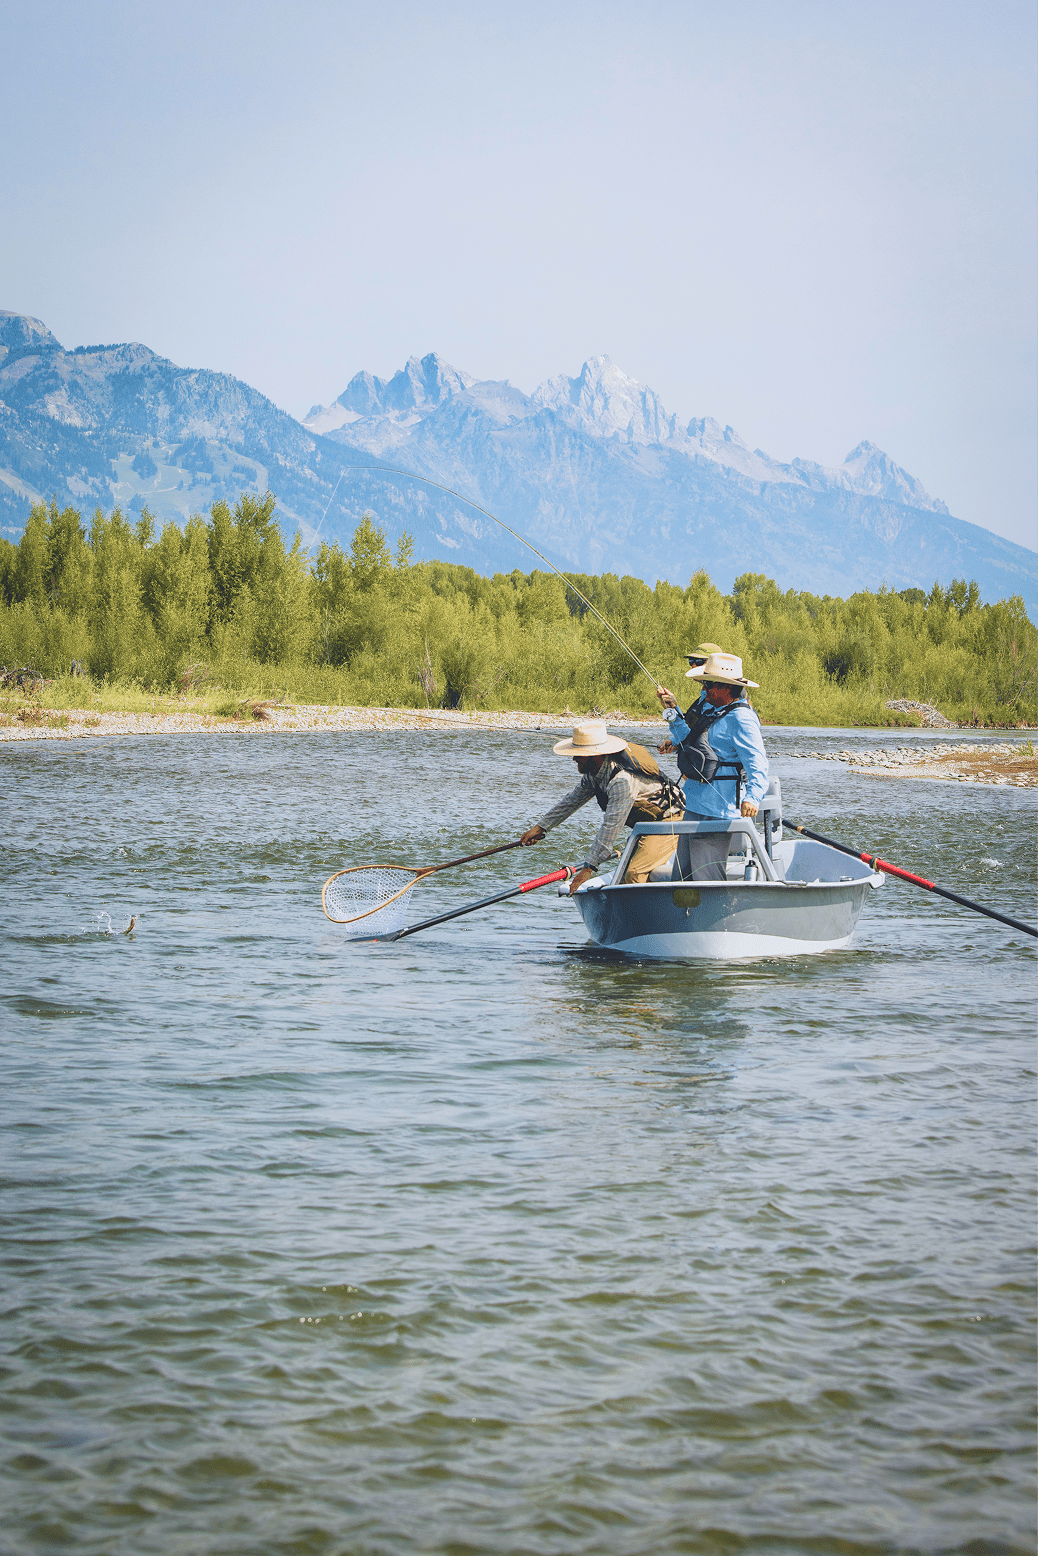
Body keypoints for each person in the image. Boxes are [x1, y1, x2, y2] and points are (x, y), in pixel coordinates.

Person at [520, 722, 685, 894]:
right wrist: (540, 828)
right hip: (647, 826)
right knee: (621, 877)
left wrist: (589, 868)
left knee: (634, 874)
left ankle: (652, 919)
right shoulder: (595, 773)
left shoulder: (622, 780)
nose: (574, 759)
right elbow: (571, 801)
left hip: (671, 820)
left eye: (579, 755)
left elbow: (611, 826)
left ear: (596, 755)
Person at [655, 652, 769, 879]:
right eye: (704, 684)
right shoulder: (710, 710)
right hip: (695, 803)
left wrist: (752, 797)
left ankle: (715, 912)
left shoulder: (741, 719)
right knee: (682, 874)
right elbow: (689, 742)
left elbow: (758, 763)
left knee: (706, 877)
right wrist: (674, 714)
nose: (705, 689)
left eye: (710, 684)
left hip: (719, 811)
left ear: (728, 688)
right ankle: (681, 913)